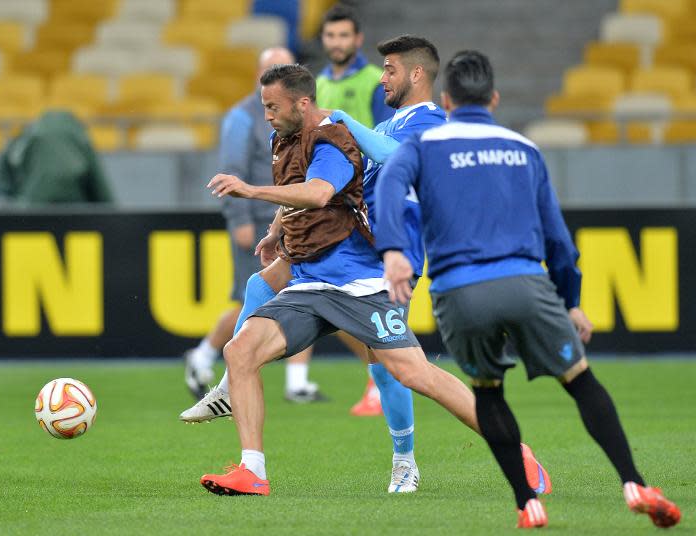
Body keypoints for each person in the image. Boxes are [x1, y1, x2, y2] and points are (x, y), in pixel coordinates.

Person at [195, 63, 549, 498]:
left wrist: (249, 191)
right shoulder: (282, 139)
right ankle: (253, 471)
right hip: (309, 280)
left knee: (414, 374)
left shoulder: (332, 140)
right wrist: (276, 232)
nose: (265, 114)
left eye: (273, 106)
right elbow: (297, 196)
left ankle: (515, 449)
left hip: (357, 284)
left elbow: (319, 192)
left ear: (302, 103)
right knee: (240, 349)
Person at [375, 50, 682, 529]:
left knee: (489, 392)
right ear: (494, 98)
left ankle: (526, 503)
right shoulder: (524, 149)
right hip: (526, 282)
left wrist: (393, 250)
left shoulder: (424, 144)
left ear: (448, 100)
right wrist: (573, 302)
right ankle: (633, 482)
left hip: (460, 291)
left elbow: (389, 189)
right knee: (580, 381)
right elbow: (558, 240)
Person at [183, 47, 325, 403]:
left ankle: (295, 381)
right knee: (250, 301)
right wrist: (240, 219)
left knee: (297, 292)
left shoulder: (295, 117)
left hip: (289, 218)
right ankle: (204, 356)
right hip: (261, 221)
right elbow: (231, 171)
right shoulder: (243, 118)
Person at [316, 4, 396, 415]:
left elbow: (385, 139)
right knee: (323, 292)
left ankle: (383, 381)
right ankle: (378, 379)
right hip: (326, 202)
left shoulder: (371, 80)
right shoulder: (316, 84)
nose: (337, 43)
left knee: (367, 297)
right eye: (331, 36)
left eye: (344, 36)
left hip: (362, 202)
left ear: (357, 39)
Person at [0, 110, 113, 204]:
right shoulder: (79, 136)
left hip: (31, 206)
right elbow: (100, 185)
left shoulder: (30, 133)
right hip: (75, 209)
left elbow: (11, 164)